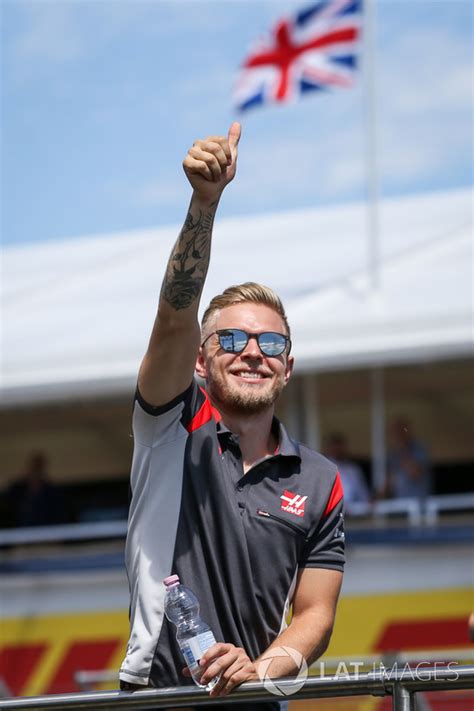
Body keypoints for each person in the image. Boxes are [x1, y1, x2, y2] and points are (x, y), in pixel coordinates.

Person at [119, 123, 345, 708]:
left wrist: (263, 667)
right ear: (200, 359)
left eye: (270, 344)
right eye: (233, 339)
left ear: (288, 366)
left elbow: (316, 612)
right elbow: (174, 316)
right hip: (155, 698)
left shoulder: (320, 479)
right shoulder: (168, 422)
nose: (252, 352)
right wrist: (204, 204)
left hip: (258, 700)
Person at [324, 433, 371, 513]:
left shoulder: (353, 469)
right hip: (331, 514)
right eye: (334, 447)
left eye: (339, 447)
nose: (337, 450)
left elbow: (363, 495)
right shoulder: (324, 467)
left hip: (354, 513)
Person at [386, 418, 431, 500]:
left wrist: (403, 450)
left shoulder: (419, 449)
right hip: (400, 504)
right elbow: (389, 482)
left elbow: (416, 473)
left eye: (400, 431)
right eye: (394, 432)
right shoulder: (392, 454)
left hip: (419, 504)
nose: (397, 435)